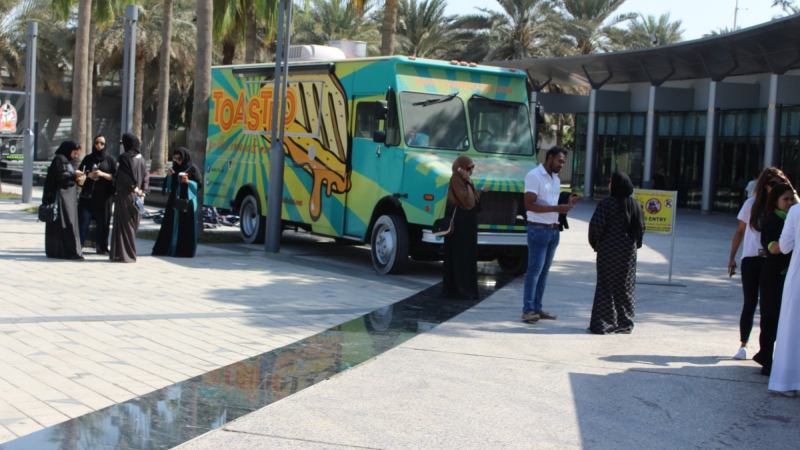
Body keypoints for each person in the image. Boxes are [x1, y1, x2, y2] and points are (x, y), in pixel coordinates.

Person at [727, 168, 790, 360]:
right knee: (750, 301)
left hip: (771, 261)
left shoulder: (784, 206)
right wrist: (732, 257)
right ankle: (743, 344)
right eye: (772, 183)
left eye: (780, 182)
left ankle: (767, 349)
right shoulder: (751, 204)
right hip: (751, 258)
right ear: (764, 185)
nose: (776, 186)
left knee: (769, 306)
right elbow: (740, 231)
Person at [521, 146, 577, 323]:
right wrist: (556, 208)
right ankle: (528, 310)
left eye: (564, 162)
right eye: (560, 161)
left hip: (553, 230)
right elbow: (529, 205)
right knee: (534, 271)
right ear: (550, 157)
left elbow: (552, 203)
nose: (562, 165)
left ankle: (537, 308)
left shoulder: (556, 179)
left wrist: (566, 204)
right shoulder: (534, 176)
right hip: (538, 229)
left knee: (544, 272)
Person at [587, 172, 645, 334]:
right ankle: (625, 323)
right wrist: (635, 245)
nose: (609, 185)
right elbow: (641, 229)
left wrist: (596, 244)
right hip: (628, 254)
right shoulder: (635, 205)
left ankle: (603, 324)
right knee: (625, 287)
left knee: (605, 286)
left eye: (611, 182)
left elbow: (596, 226)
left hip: (608, 251)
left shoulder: (606, 204)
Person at [753, 183, 795, 375]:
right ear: (776, 201)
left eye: (792, 198)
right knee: (770, 317)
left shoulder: (793, 218)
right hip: (773, 276)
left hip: (789, 276)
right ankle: (766, 358)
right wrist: (789, 241)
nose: (790, 202)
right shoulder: (772, 220)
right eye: (785, 199)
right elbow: (773, 248)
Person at [769, 194, 800, 395]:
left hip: (797, 278)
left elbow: (785, 246)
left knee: (791, 327)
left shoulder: (796, 211)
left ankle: (786, 381)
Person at [442, 155, 481, 300]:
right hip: (459, 225)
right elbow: (466, 201)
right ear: (461, 168)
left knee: (467, 256)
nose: (470, 171)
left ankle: (465, 289)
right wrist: (468, 181)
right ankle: (458, 290)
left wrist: (470, 182)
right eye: (468, 168)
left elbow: (475, 200)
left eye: (471, 168)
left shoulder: (466, 180)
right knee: (458, 256)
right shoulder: (456, 180)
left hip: (467, 224)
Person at [152, 147, 202, 257]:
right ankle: (166, 249)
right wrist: (169, 176)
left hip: (187, 202)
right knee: (169, 225)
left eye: (179, 159)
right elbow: (168, 186)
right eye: (175, 159)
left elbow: (199, 184)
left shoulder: (192, 169)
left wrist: (188, 182)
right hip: (174, 201)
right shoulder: (174, 168)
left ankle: (183, 251)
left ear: (184, 158)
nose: (177, 161)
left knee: (185, 226)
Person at [110, 133, 149, 263]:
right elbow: (146, 177)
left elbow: (122, 177)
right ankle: (124, 254)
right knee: (133, 224)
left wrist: (133, 187)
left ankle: (125, 255)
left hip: (125, 195)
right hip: (138, 197)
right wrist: (143, 193)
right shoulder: (141, 158)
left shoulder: (124, 158)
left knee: (124, 225)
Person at [43, 140, 85, 260]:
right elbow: (62, 177)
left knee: (62, 225)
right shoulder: (60, 160)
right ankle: (68, 252)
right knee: (65, 224)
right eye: (74, 152)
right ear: (68, 150)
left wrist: (76, 177)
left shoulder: (64, 160)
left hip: (66, 200)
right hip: (62, 201)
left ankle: (59, 251)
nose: (76, 155)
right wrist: (74, 175)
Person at [77, 134, 116, 254]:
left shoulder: (110, 160)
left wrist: (102, 174)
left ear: (105, 145)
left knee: (103, 223)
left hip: (105, 198)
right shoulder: (88, 159)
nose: (99, 145)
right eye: (97, 143)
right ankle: (78, 246)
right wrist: (89, 175)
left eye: (102, 143)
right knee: (83, 221)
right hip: (88, 196)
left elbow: (116, 177)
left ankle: (102, 247)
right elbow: (80, 174)